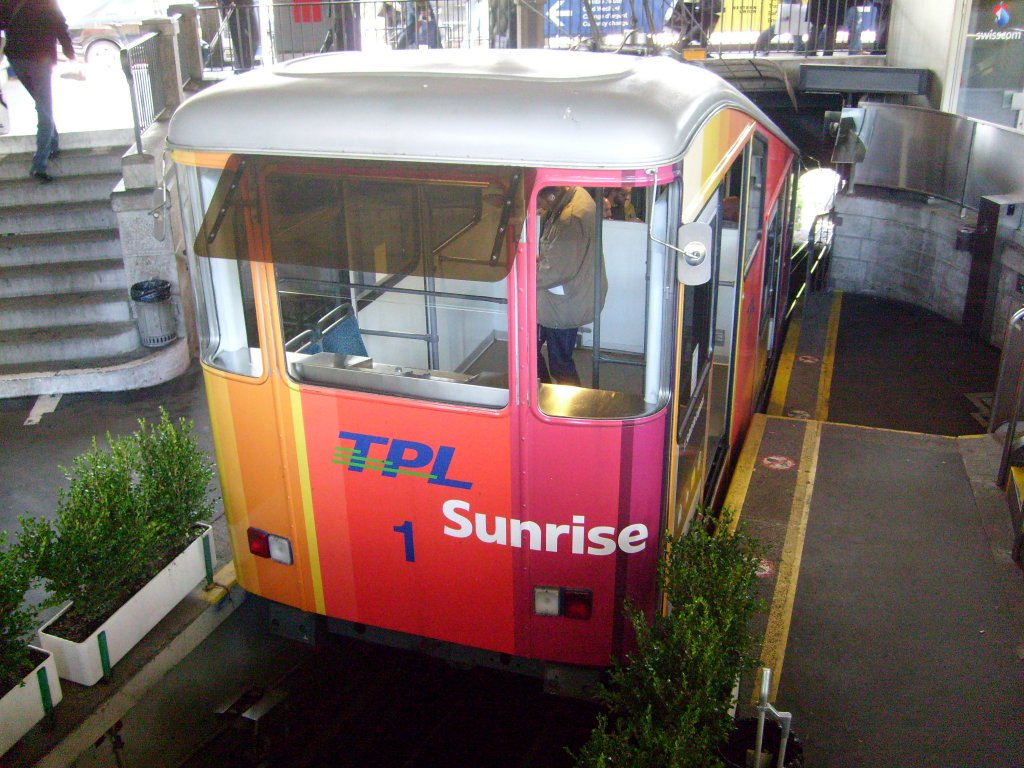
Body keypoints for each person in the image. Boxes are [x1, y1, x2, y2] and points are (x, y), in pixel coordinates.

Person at [535, 186, 607, 387]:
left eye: (539, 204)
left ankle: (571, 408)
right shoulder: (575, 197)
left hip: (563, 304)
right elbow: (563, 259)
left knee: (559, 363)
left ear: (551, 195)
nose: (539, 209)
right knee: (534, 351)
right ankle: (547, 397)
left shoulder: (570, 219)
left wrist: (525, 273)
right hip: (567, 297)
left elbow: (557, 270)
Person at [0, 0, 76, 183]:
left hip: (17, 58)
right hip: (40, 57)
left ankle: (53, 142)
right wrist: (70, 53)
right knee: (44, 108)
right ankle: (39, 164)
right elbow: (60, 24)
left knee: (41, 103)